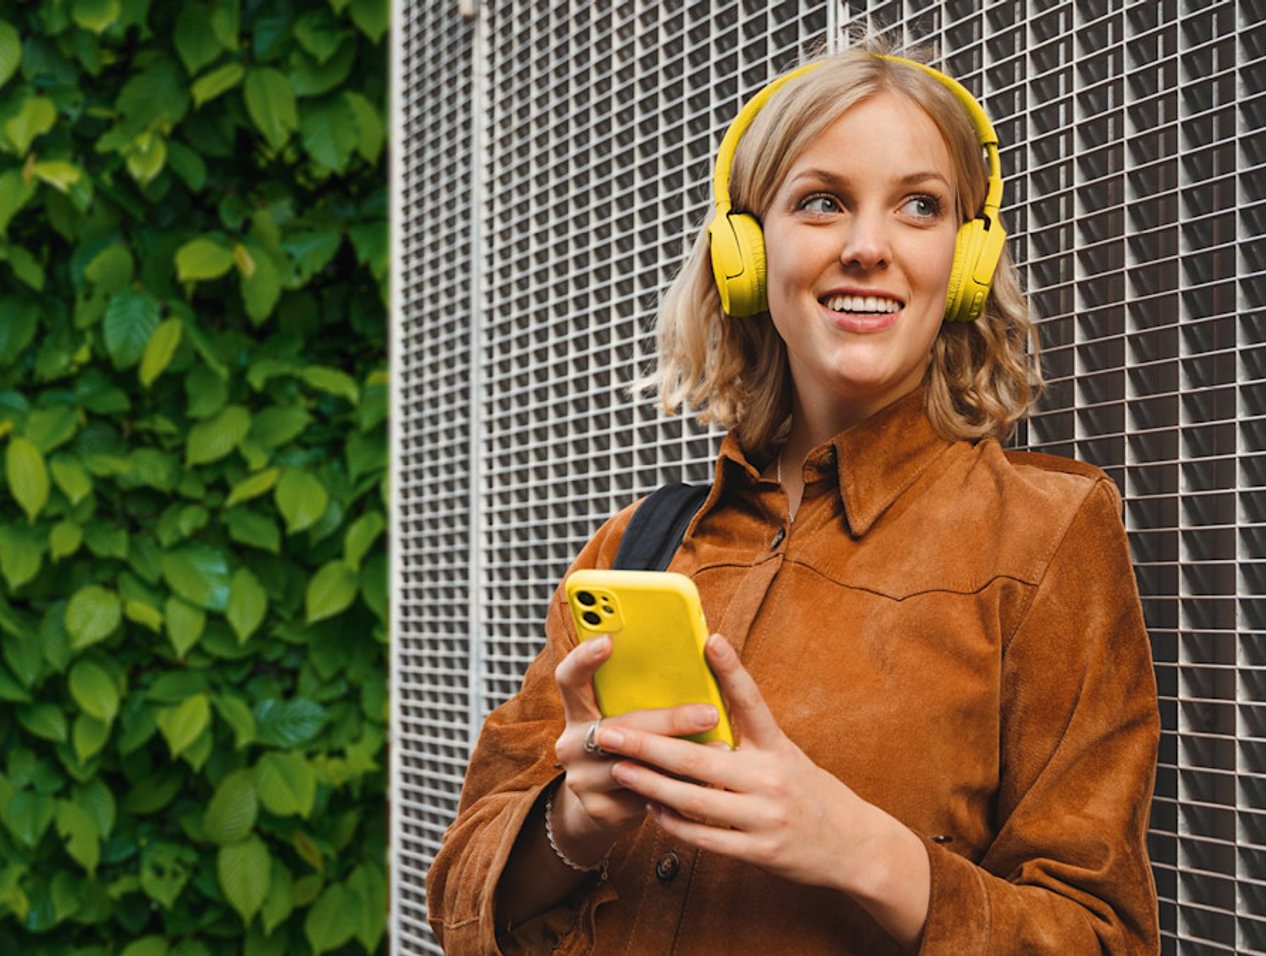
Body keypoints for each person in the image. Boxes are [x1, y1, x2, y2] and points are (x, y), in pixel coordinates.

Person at [427, 43, 1160, 954]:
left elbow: (1105, 938)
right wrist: (572, 821)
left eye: (920, 207)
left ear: (967, 262)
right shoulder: (638, 546)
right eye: (822, 201)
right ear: (745, 250)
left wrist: (861, 851)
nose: (867, 246)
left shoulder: (1047, 537)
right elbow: (460, 902)